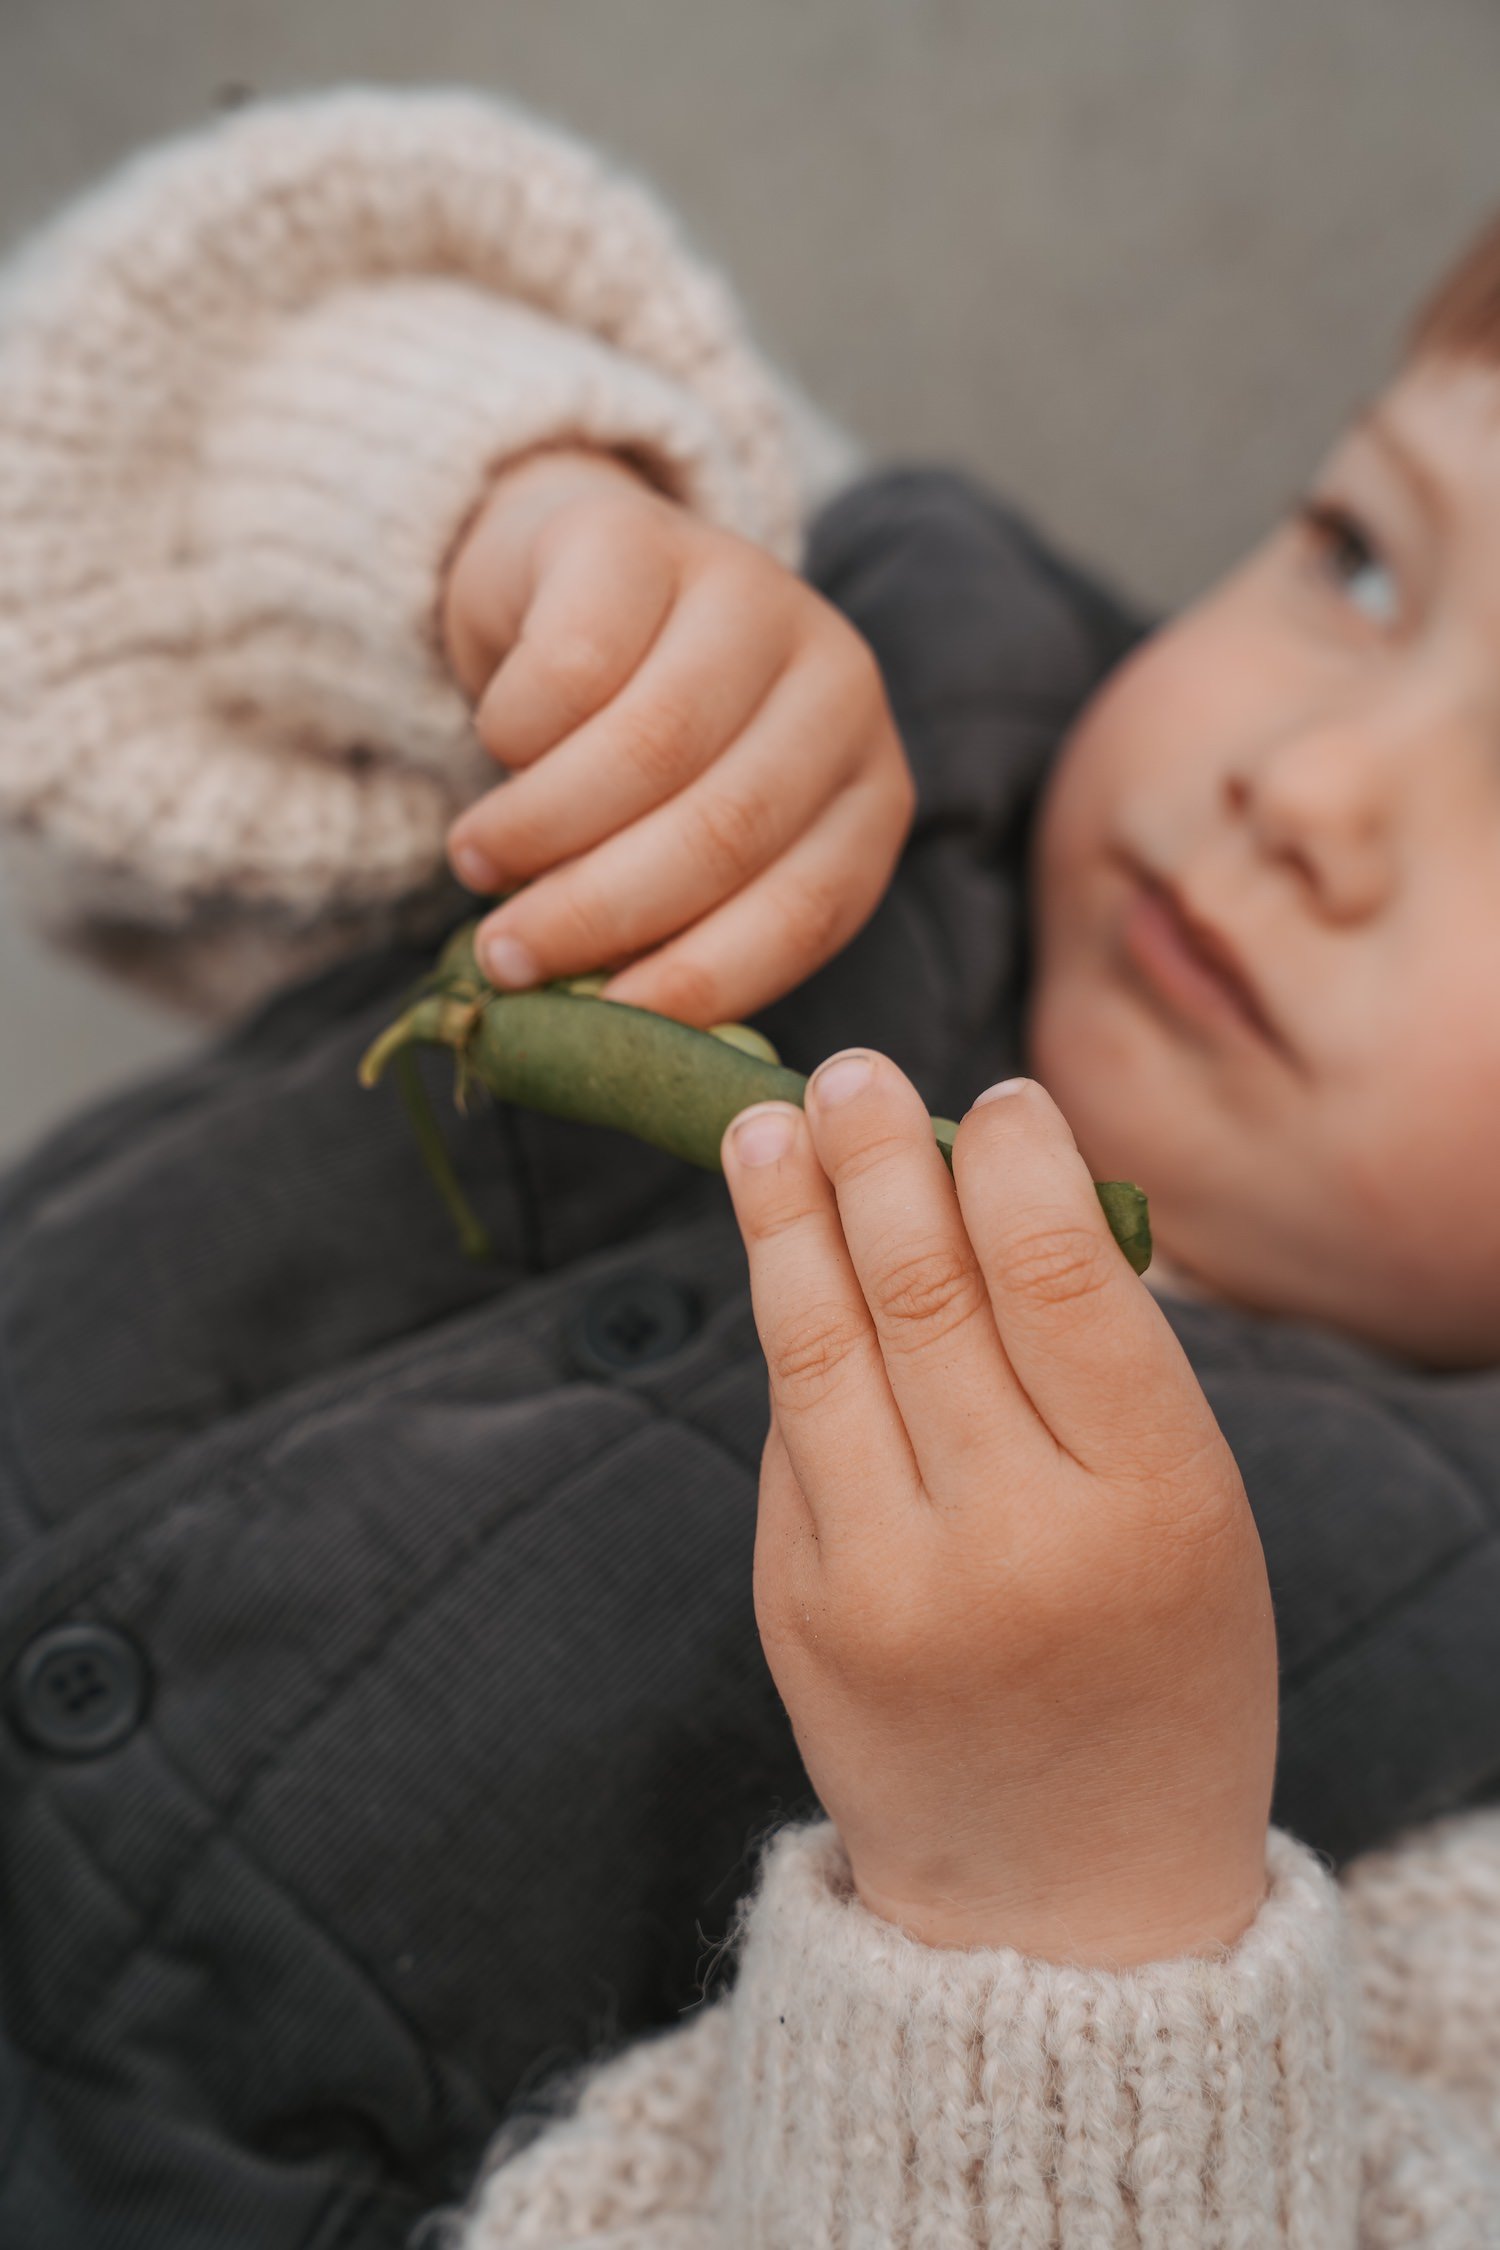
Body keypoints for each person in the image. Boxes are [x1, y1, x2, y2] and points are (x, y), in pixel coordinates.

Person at [0, 86, 1497, 2246]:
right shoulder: (885, 700)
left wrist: (1067, 1929)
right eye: (1364, 559)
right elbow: (116, 408)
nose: (1315, 784)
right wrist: (518, 538)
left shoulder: (1461, 1864)